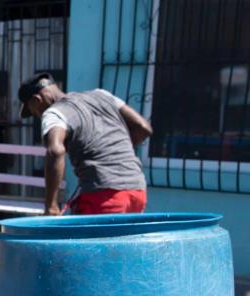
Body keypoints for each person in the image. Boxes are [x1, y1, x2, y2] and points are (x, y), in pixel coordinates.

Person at [17, 72, 154, 216]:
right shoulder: (102, 95)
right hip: (137, 191)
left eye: (34, 112)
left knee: (78, 231)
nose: (38, 116)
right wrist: (116, 153)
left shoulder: (54, 113)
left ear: (37, 100)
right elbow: (143, 128)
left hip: (103, 196)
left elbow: (55, 151)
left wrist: (51, 206)